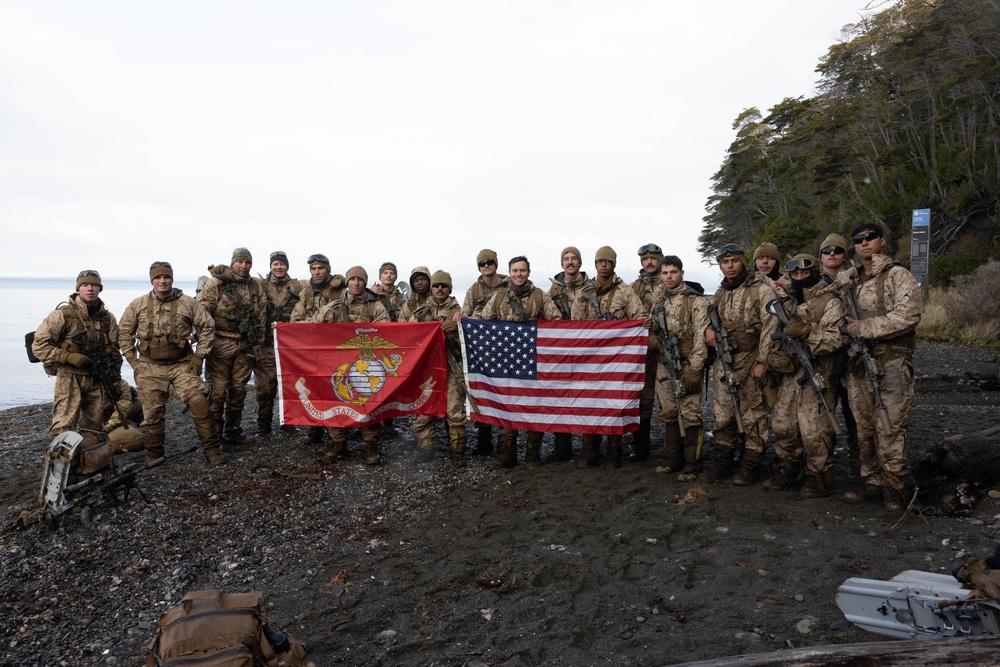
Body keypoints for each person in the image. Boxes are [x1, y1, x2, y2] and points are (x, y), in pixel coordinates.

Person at [838, 222, 923, 511]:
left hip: (892, 363)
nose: (864, 243)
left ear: (882, 241)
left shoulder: (898, 275)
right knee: (864, 428)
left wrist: (864, 327)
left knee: (890, 429)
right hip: (859, 364)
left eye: (869, 238)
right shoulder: (849, 280)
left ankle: (895, 487)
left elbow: (908, 316)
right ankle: (873, 482)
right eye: (858, 240)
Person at [120, 261, 224, 466]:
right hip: (149, 366)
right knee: (152, 414)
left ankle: (212, 449)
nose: (162, 281)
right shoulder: (137, 304)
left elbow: (207, 327)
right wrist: (133, 361)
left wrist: (198, 356)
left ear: (172, 279)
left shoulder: (188, 303)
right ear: (152, 280)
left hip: (181, 364)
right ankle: (154, 454)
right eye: (158, 277)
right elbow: (123, 333)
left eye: (166, 277)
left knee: (199, 402)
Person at [762, 255, 846, 497]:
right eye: (795, 275)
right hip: (791, 373)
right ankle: (787, 469)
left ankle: (819, 477)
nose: (800, 278)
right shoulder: (787, 302)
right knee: (783, 424)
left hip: (819, 371)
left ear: (815, 272)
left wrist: (808, 331)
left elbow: (835, 339)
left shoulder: (830, 301)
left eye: (805, 273)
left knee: (814, 430)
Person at [705, 244, 780, 486]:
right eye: (725, 263)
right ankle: (723, 462)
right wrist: (708, 330)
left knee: (753, 415)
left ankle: (750, 466)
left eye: (734, 261)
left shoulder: (762, 291)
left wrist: (762, 361)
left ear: (742, 263)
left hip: (752, 358)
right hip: (726, 361)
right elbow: (711, 319)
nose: (729, 266)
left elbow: (771, 328)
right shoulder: (720, 293)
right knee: (724, 414)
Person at [481, 256, 562, 469]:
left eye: (522, 270)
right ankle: (507, 454)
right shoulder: (498, 297)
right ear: (509, 272)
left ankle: (532, 455)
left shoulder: (540, 297)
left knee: (534, 406)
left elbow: (557, 324)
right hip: (505, 363)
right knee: (506, 407)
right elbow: (482, 323)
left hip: (534, 362)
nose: (519, 274)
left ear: (528, 272)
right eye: (515, 270)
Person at [570, 246, 646, 468]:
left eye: (608, 261)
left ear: (614, 264)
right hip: (590, 360)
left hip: (617, 360)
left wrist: (638, 326)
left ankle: (614, 455)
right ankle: (589, 453)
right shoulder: (584, 292)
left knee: (615, 404)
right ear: (594, 265)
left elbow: (639, 315)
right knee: (589, 404)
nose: (604, 264)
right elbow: (575, 324)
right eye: (600, 261)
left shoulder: (625, 291)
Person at [313, 266, 390, 465]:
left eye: (360, 279)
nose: (356, 283)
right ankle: (338, 443)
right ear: (347, 283)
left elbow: (388, 331)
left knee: (369, 403)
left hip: (366, 365)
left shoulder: (376, 307)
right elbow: (310, 327)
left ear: (365, 282)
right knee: (338, 401)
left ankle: (371, 445)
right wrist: (283, 329)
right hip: (340, 363)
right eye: (352, 279)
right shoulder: (334, 306)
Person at [32, 270, 123, 437]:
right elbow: (38, 346)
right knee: (63, 427)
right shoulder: (62, 315)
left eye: (94, 285)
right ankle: (61, 461)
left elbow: (115, 351)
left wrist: (115, 377)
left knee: (94, 427)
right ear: (78, 289)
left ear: (100, 289)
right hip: (69, 376)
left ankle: (90, 460)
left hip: (97, 377)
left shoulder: (108, 318)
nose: (90, 289)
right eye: (85, 285)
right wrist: (68, 357)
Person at [197, 248, 267, 450]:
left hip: (245, 348)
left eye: (248, 263)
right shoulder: (217, 283)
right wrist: (207, 342)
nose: (244, 266)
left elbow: (261, 315)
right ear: (233, 262)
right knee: (217, 393)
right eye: (240, 262)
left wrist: (258, 343)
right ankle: (214, 439)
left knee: (238, 391)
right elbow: (202, 313)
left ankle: (233, 432)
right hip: (220, 345)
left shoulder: (255, 286)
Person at [652, 256, 710, 481]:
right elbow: (654, 331)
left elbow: (700, 338)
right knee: (669, 411)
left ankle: (692, 465)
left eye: (673, 272)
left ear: (682, 273)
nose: (668, 277)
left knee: (691, 414)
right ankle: (670, 460)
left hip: (687, 363)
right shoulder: (660, 302)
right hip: (665, 365)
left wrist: (695, 369)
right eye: (665, 273)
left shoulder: (696, 301)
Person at [409, 270, 467, 464]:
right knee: (425, 407)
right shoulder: (421, 312)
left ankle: (457, 454)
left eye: (444, 285)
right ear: (431, 288)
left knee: (454, 410)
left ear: (449, 288)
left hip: (453, 366)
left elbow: (471, 341)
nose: (439, 289)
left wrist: (458, 331)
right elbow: (408, 338)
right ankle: (426, 450)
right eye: (436, 285)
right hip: (428, 369)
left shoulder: (461, 311)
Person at [289, 253, 346, 445]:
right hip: (313, 349)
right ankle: (316, 428)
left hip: (336, 349)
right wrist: (313, 325)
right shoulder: (306, 293)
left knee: (335, 389)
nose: (317, 272)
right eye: (313, 269)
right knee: (315, 388)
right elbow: (295, 321)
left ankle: (338, 432)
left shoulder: (341, 291)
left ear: (328, 269)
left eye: (320, 268)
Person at [459, 249, 509, 456]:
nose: (486, 266)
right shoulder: (473, 291)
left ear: (496, 264)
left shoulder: (509, 286)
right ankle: (484, 438)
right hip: (482, 351)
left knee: (506, 393)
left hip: (506, 348)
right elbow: (465, 316)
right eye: (482, 264)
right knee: (482, 392)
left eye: (490, 262)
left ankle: (506, 442)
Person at [818, 232, 860, 475]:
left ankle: (860, 465)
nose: (832, 253)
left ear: (845, 254)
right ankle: (823, 467)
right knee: (823, 414)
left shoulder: (858, 278)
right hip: (823, 358)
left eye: (837, 250)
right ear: (820, 256)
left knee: (857, 415)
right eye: (827, 250)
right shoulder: (810, 281)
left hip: (854, 354)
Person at [546, 246, 591, 462]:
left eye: (574, 258)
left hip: (588, 353)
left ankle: (589, 448)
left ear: (580, 263)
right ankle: (562, 447)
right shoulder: (553, 291)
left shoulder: (591, 288)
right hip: (562, 354)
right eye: (566, 258)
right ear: (562, 263)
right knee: (560, 398)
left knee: (589, 398)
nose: (570, 262)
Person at [255, 251, 301, 436]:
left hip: (288, 348)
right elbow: (237, 278)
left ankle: (288, 423)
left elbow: (322, 283)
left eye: (282, 264)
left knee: (289, 387)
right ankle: (263, 427)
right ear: (270, 266)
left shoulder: (298, 286)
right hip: (266, 345)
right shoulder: (260, 285)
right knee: (265, 388)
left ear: (287, 266)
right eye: (275, 264)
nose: (278, 267)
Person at [630, 243, 663, 461]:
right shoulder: (632, 288)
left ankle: (675, 452)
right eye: (645, 259)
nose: (649, 262)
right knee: (643, 400)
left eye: (653, 258)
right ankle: (642, 449)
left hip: (667, 352)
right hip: (643, 354)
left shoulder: (671, 281)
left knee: (673, 401)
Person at [102, 378, 146, 454]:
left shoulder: (120, 384)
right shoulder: (87, 390)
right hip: (104, 416)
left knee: (142, 407)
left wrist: (106, 428)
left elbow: (124, 407)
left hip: (125, 412)